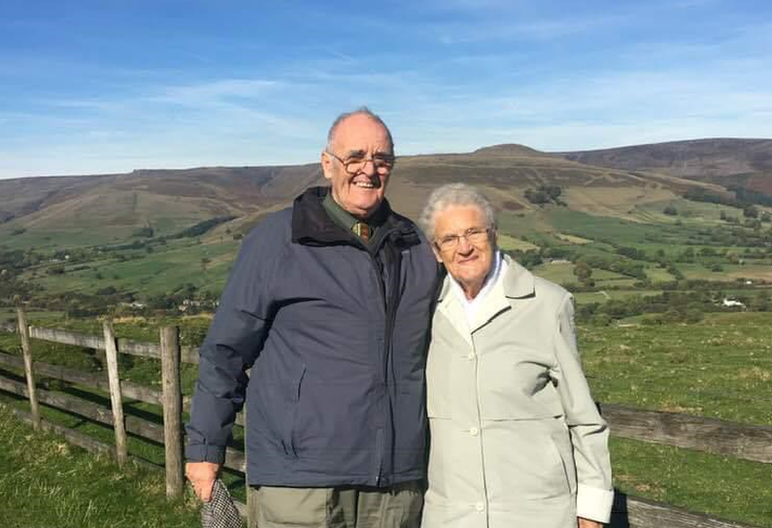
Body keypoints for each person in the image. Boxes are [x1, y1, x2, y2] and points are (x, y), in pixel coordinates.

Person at [185, 108, 440, 528]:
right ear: (327, 163)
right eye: (354, 157)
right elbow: (225, 351)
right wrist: (205, 450)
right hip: (301, 481)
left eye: (382, 159)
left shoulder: (415, 248)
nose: (368, 170)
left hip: (396, 484)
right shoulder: (278, 240)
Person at [418, 183, 613, 528]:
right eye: (449, 239)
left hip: (537, 511)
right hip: (451, 514)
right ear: (436, 250)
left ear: (493, 234)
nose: (464, 247)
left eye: (473, 232)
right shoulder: (426, 311)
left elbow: (583, 417)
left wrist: (592, 510)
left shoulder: (548, 304)